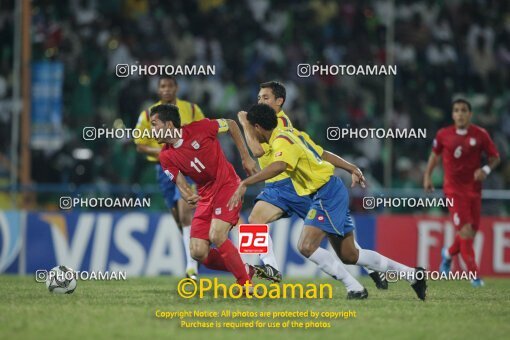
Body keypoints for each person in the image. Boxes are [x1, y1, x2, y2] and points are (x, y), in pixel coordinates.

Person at [229, 104, 427, 301]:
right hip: (321, 192)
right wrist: (351, 167)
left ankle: (354, 288)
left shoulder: (281, 141)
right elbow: (321, 153)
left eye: (265, 96)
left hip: (325, 193)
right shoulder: (290, 133)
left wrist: (245, 181)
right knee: (350, 255)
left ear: (258, 127)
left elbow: (276, 163)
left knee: (306, 246)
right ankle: (412, 275)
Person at [238, 81, 388, 291]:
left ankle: (370, 269)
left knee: (333, 234)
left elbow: (257, 151)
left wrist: (244, 124)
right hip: (276, 186)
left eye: (266, 98)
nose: (261, 101)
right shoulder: (269, 120)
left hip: (290, 185)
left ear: (279, 101)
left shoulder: (275, 124)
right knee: (254, 220)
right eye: (259, 98)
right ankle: (265, 270)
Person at [150, 104, 258, 287]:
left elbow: (231, 124)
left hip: (227, 185)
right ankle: (245, 269)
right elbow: (180, 183)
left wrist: (246, 157)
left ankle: (245, 284)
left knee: (217, 235)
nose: (151, 130)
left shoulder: (201, 128)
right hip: (205, 194)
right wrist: (186, 195)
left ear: (168, 125)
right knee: (198, 252)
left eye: (154, 124)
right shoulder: (165, 156)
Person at [424, 98, 500, 287]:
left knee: (470, 233)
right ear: (452, 114)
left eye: (463, 110)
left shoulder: (480, 134)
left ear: (470, 114)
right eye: (456, 110)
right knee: (465, 231)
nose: (460, 113)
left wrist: (485, 171)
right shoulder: (444, 135)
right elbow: (435, 155)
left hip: (474, 190)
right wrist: (427, 176)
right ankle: (474, 276)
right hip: (453, 191)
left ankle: (448, 253)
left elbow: (495, 157)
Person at [134, 76, 204, 280]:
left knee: (185, 212)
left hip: (188, 167)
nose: (166, 89)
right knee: (179, 219)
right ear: (158, 90)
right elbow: (140, 145)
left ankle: (192, 267)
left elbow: (202, 133)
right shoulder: (148, 114)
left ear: (176, 88)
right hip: (163, 169)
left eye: (170, 86)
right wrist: (165, 154)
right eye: (162, 86)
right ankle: (198, 246)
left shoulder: (191, 109)